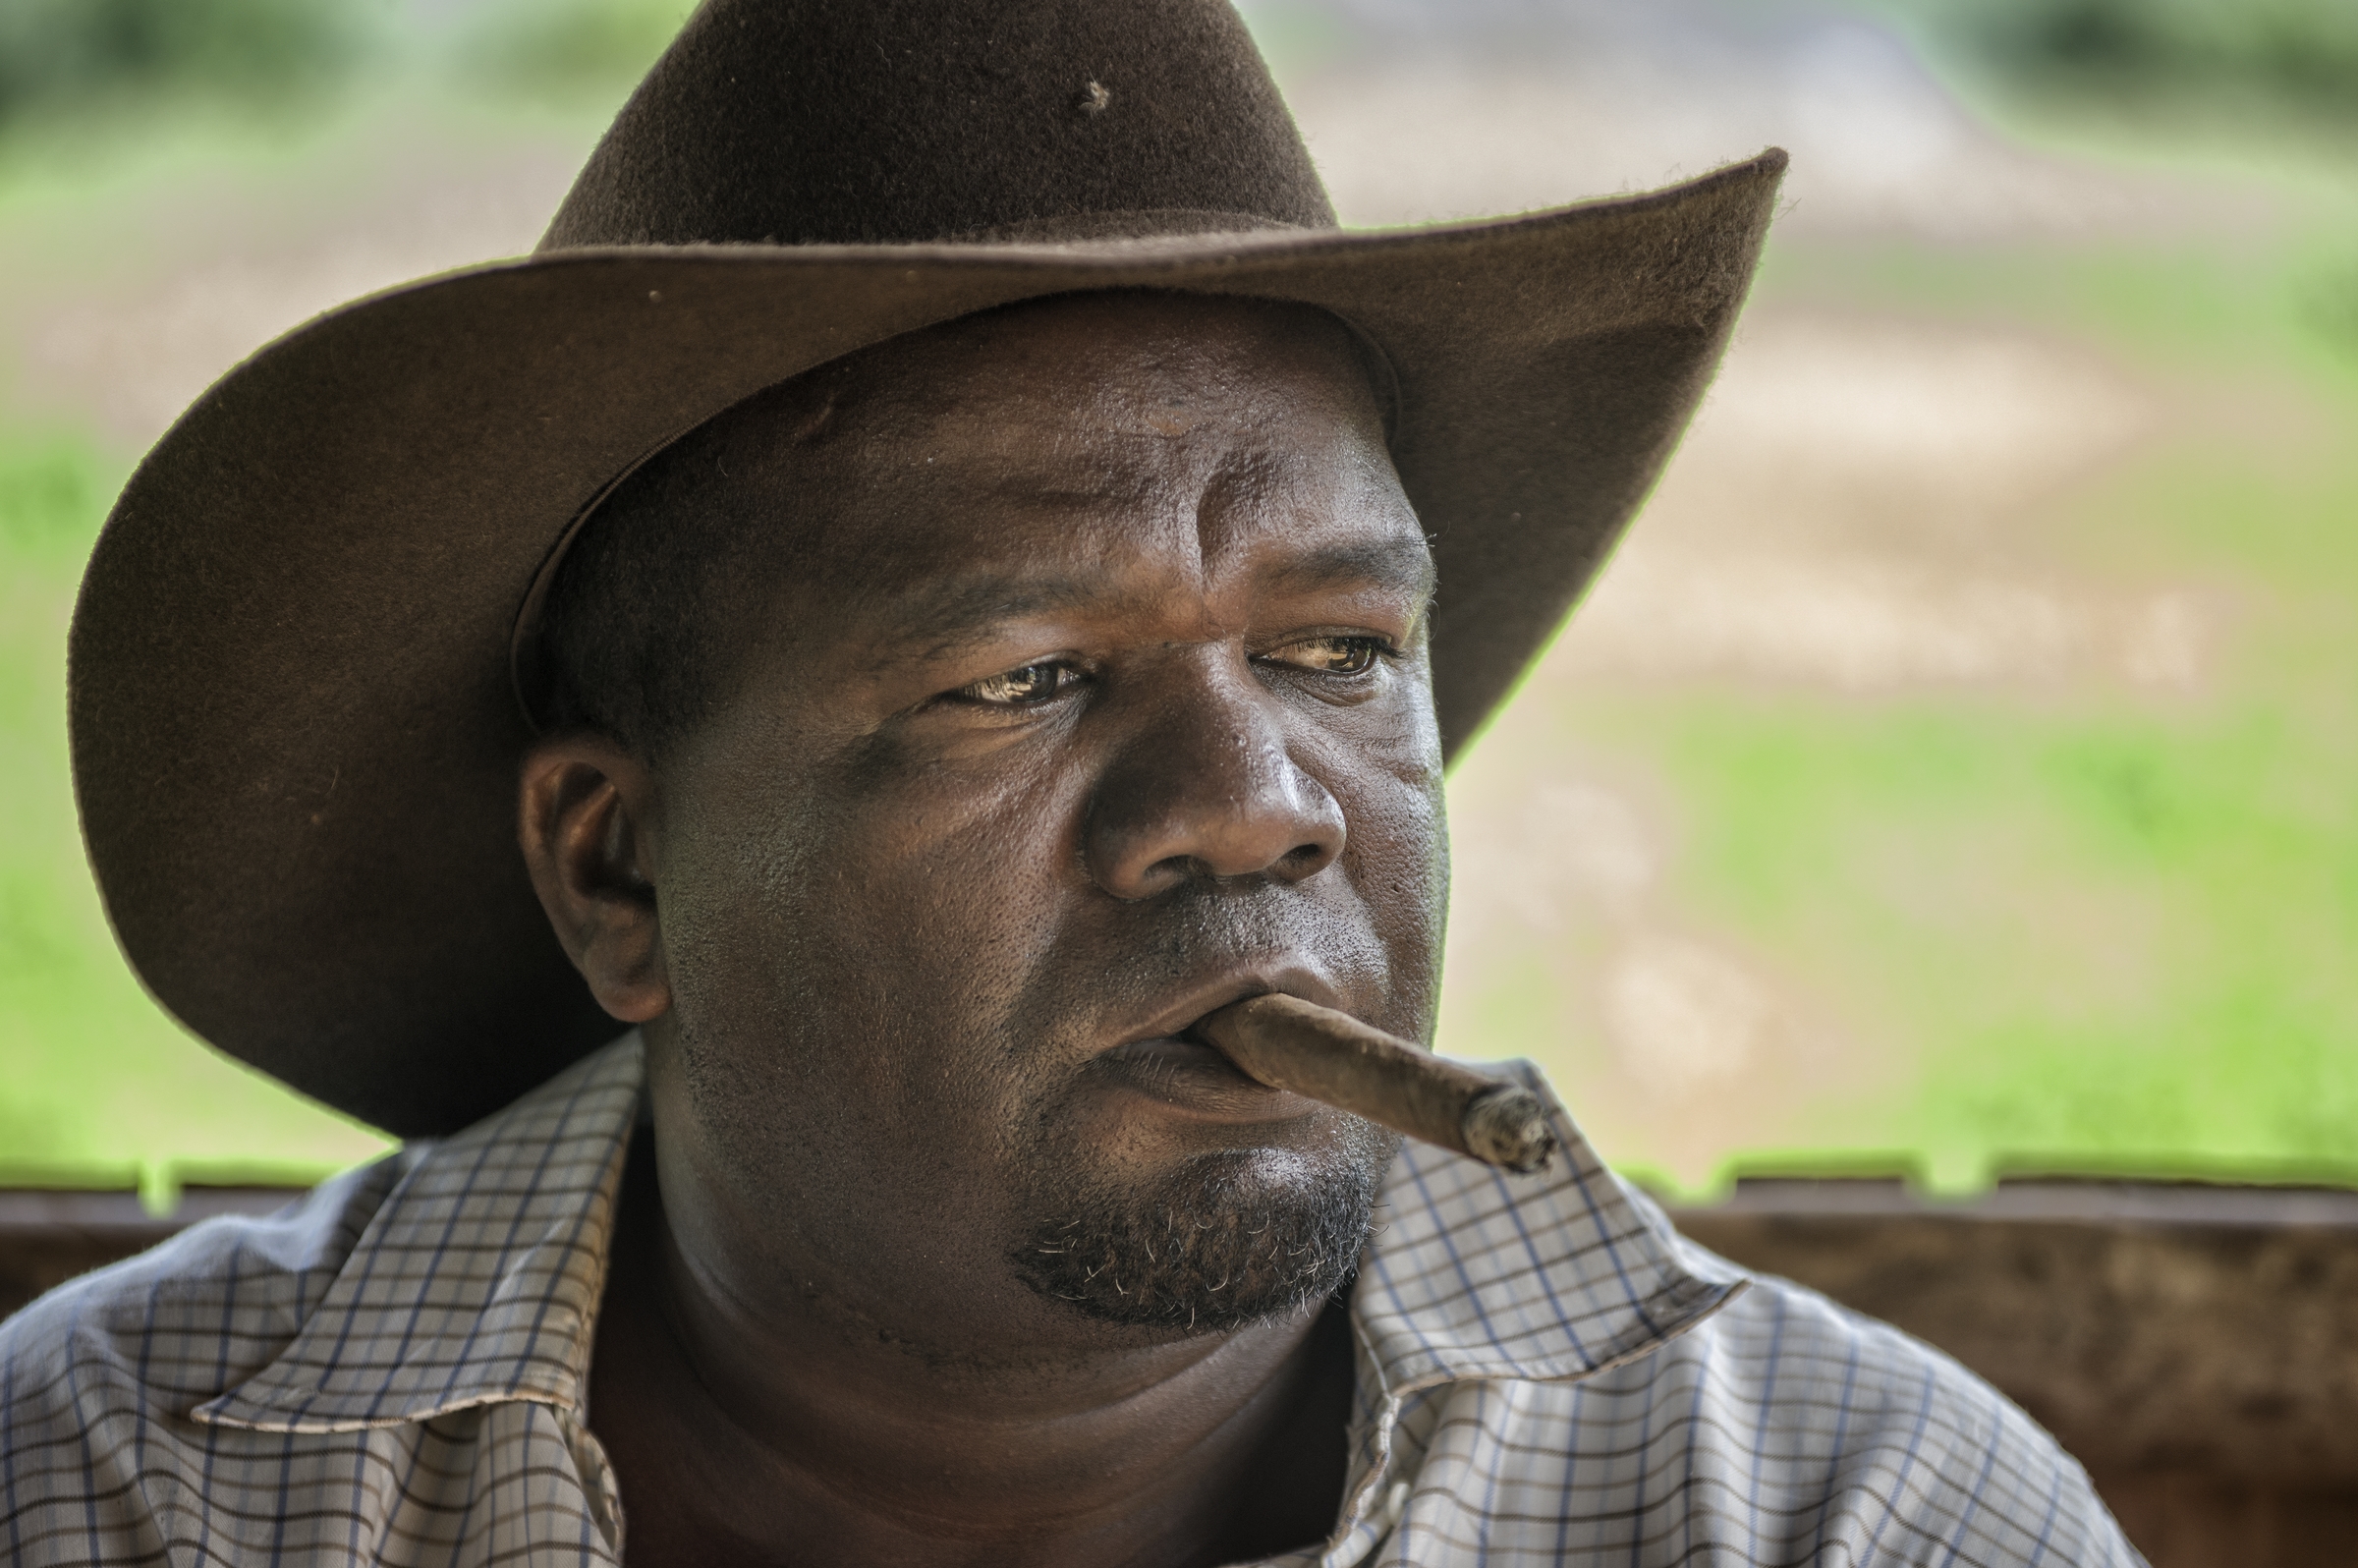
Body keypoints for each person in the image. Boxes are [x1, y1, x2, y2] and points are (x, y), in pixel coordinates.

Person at [1, 1, 2143, 1563]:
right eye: (1019, 678)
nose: (1257, 805)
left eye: (1337, 654)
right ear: (616, 871)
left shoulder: (1844, 1520)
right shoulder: (126, 1494)